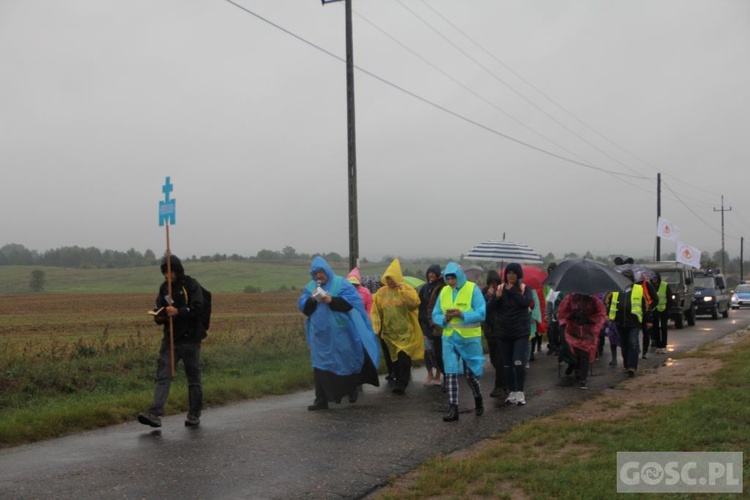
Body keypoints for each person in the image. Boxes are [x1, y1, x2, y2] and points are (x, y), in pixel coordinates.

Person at [299, 257, 380, 411]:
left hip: (341, 333)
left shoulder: (341, 283)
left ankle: (351, 388)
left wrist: (331, 299)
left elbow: (352, 303)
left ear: (327, 271)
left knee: (346, 362)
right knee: (320, 366)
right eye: (315, 273)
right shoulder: (310, 287)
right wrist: (312, 299)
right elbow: (304, 307)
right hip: (320, 336)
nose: (318, 276)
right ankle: (321, 399)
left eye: (321, 272)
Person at [138, 255, 207, 428]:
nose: (167, 276)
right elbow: (160, 309)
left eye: (170, 272)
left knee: (194, 379)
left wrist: (178, 311)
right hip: (170, 340)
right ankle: (154, 414)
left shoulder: (191, 285)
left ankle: (194, 414)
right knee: (163, 376)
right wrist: (160, 316)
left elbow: (198, 308)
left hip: (191, 340)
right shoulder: (164, 289)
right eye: (164, 272)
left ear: (177, 269)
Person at [431, 262, 486, 422]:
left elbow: (481, 313)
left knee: (470, 375)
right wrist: (444, 318)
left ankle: (478, 397)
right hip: (449, 338)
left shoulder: (472, 289)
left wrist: (463, 314)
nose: (450, 281)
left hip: (469, 340)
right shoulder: (444, 292)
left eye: (453, 278)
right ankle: (453, 408)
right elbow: (435, 314)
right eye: (448, 278)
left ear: (459, 276)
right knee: (451, 373)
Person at [371, 258, 423, 395]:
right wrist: (376, 326)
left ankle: (402, 384)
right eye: (387, 278)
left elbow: (414, 304)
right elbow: (376, 310)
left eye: (391, 278)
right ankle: (397, 380)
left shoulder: (406, 289)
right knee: (394, 360)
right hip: (389, 333)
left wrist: (403, 292)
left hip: (405, 333)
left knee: (404, 360)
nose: (389, 281)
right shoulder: (381, 293)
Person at [488, 262, 535, 406]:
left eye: (514, 273)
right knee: (507, 364)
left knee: (518, 362)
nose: (511, 275)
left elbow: (526, 303)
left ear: (518, 275)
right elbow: (489, 308)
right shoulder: (500, 289)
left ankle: (520, 391)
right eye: (509, 273)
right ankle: (512, 391)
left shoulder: (524, 289)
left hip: (520, 332)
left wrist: (514, 291)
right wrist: (497, 296)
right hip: (504, 332)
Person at [557, 293, 607, 389]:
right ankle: (577, 369)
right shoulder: (570, 298)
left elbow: (601, 315)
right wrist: (573, 315)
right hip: (573, 331)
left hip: (588, 331)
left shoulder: (595, 301)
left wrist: (588, 319)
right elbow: (562, 313)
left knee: (585, 353)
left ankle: (583, 379)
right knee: (576, 352)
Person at [606, 269, 650, 377]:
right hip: (620, 322)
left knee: (633, 343)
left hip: (634, 322)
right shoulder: (615, 290)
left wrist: (648, 320)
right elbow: (608, 302)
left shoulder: (639, 289)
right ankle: (626, 364)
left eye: (628, 278)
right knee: (624, 345)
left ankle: (632, 366)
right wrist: (608, 315)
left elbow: (645, 306)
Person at [418, 264, 443, 386]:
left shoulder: (441, 288)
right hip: (425, 325)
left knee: (438, 351)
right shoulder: (424, 289)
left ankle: (438, 375)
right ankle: (429, 374)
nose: (431, 274)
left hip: (437, 325)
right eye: (429, 272)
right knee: (427, 351)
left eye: (433, 272)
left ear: (438, 274)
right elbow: (420, 305)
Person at [481, 270, 505, 398]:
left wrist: (495, 297)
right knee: (494, 361)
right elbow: (482, 310)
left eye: (496, 282)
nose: (494, 285)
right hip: (489, 330)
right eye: (491, 283)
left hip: (501, 330)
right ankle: (504, 382)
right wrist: (489, 297)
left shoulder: (502, 291)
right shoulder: (483, 292)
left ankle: (500, 386)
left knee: (500, 360)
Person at [649, 272, 673, 354]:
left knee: (663, 327)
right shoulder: (650, 286)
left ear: (658, 278)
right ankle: (658, 346)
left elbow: (670, 299)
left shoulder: (665, 285)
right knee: (655, 328)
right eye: (653, 278)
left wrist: (668, 309)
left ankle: (663, 346)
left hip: (664, 309)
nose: (654, 279)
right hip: (654, 309)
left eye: (655, 278)